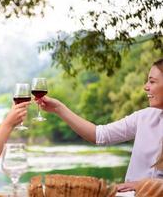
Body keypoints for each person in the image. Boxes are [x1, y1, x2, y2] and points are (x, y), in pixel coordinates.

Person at [35, 58, 163, 192]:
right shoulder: (144, 117)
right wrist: (58, 108)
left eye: (152, 81)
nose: (145, 86)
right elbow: (99, 135)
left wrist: (142, 185)